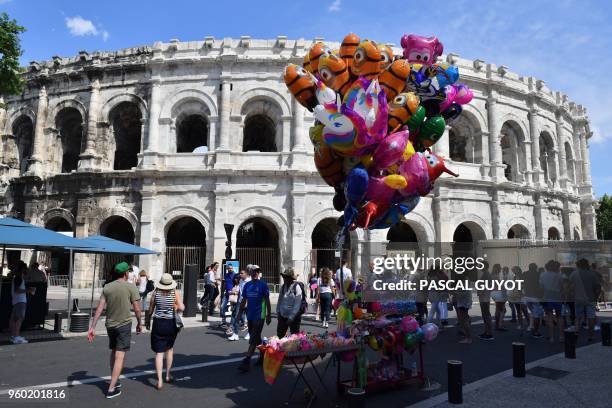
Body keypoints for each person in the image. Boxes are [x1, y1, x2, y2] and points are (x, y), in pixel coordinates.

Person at [88, 262, 142, 399]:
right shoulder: (131, 287)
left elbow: (100, 308)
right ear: (126, 273)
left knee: (113, 351)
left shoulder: (107, 287)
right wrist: (140, 323)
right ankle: (111, 388)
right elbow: (137, 308)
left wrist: (93, 326)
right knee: (120, 355)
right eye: (129, 272)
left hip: (110, 325)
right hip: (124, 324)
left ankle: (115, 379)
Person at [145, 273, 184, 390]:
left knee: (159, 353)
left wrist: (147, 321)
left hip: (158, 323)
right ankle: (167, 375)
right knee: (169, 349)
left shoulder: (155, 293)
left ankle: (160, 381)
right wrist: (175, 306)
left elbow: (151, 308)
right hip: (170, 323)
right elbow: (182, 307)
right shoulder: (174, 293)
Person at [238, 265, 271, 372]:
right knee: (255, 337)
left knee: (253, 338)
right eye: (254, 271)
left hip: (259, 315)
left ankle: (247, 360)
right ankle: (263, 354)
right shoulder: (247, 285)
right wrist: (239, 313)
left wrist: (269, 314)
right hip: (250, 315)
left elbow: (267, 300)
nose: (256, 273)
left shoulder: (263, 285)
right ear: (250, 272)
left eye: (257, 271)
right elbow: (244, 300)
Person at [570, 258, 600, 341]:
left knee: (578, 317)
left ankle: (576, 331)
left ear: (578, 265)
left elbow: (571, 286)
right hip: (591, 298)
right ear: (587, 265)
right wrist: (596, 296)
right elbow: (597, 287)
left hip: (578, 298)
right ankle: (591, 335)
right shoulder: (592, 274)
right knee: (591, 317)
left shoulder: (574, 274)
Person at [540, 260, 564, 343]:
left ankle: (552, 337)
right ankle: (561, 336)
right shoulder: (559, 275)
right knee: (559, 316)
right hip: (557, 297)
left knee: (549, 317)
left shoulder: (543, 275)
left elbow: (541, 287)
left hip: (547, 297)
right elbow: (562, 286)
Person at [9, 262, 34, 344]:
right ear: (22, 269)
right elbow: (17, 290)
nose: (27, 269)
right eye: (25, 268)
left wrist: (26, 289)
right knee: (20, 319)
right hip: (20, 301)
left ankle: (14, 336)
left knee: (14, 319)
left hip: (16, 301)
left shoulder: (17, 277)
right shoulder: (19, 278)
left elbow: (17, 289)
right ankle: (16, 337)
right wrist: (28, 290)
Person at [276, 267, 303, 337]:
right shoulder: (283, 287)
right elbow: (280, 301)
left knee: (294, 337)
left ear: (291, 278)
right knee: (280, 336)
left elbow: (297, 304)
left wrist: (291, 317)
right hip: (282, 315)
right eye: (284, 277)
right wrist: (278, 312)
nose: (284, 279)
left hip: (294, 317)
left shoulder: (297, 287)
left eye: (286, 277)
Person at [524, 263, 544, 338]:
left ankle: (530, 326)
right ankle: (536, 331)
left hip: (527, 296)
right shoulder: (539, 274)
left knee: (532, 312)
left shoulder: (525, 274)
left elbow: (522, 283)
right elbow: (541, 285)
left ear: (529, 268)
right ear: (536, 268)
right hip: (535, 297)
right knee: (536, 315)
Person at [477, 261, 494, 341]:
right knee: (485, 314)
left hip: (484, 297)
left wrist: (482, 292)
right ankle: (486, 331)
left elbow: (488, 286)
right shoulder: (485, 274)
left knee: (486, 314)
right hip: (483, 297)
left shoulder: (486, 275)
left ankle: (489, 333)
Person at [220, 264, 237, 330]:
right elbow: (225, 284)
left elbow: (236, 284)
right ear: (227, 269)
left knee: (234, 309)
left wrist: (235, 292)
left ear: (233, 268)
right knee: (222, 307)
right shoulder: (226, 275)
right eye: (229, 268)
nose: (230, 269)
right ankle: (224, 320)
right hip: (227, 294)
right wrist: (222, 292)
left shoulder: (235, 275)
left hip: (233, 294)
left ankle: (241, 321)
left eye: (231, 268)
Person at [491, 264, 508, 331]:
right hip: (498, 293)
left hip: (493, 293)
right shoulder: (496, 276)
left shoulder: (491, 275)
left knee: (498, 309)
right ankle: (499, 325)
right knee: (503, 310)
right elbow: (500, 285)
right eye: (500, 268)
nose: (501, 269)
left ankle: (497, 324)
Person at [227, 275, 242, 341]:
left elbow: (239, 293)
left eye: (236, 278)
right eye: (234, 278)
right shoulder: (234, 285)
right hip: (233, 302)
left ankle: (235, 332)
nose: (235, 279)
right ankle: (233, 331)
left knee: (236, 316)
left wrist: (232, 292)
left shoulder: (240, 285)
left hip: (238, 302)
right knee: (233, 315)